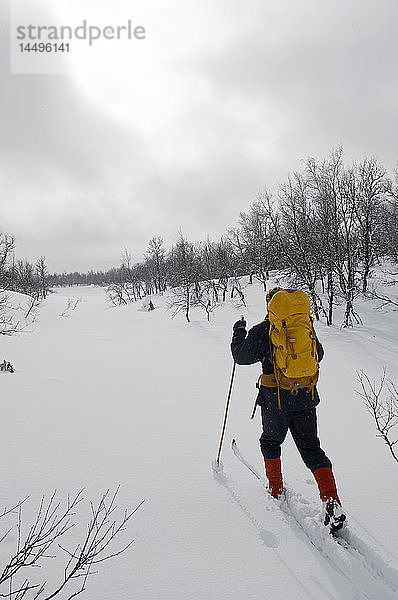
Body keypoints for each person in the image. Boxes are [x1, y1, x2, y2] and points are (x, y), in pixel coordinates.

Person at [231, 286, 346, 532]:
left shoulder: (264, 330)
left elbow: (240, 357)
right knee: (312, 449)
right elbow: (319, 355)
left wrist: (238, 332)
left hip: (276, 403)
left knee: (270, 443)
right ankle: (331, 500)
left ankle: (275, 489)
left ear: (270, 305)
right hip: (305, 396)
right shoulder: (305, 326)